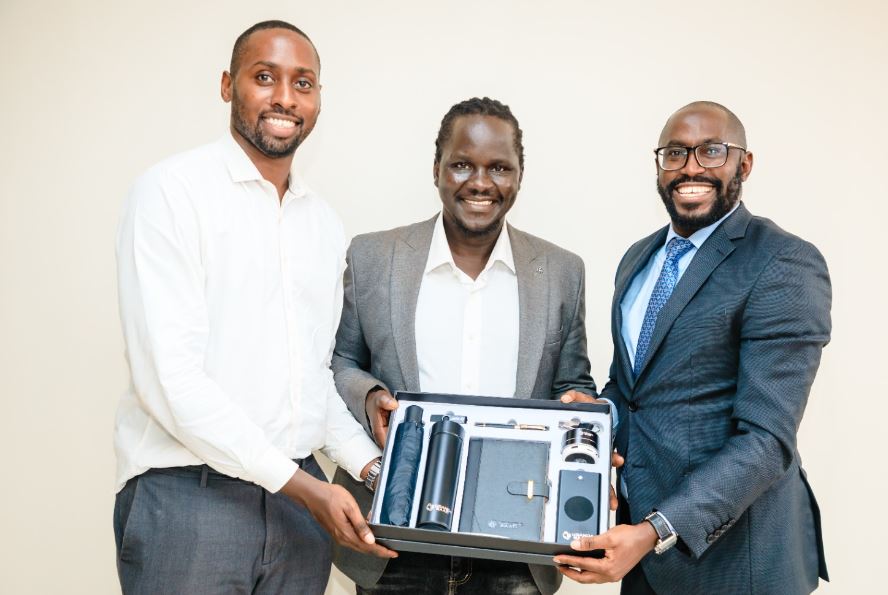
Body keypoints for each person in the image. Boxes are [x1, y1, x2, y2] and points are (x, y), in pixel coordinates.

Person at [113, 20, 395, 594]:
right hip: (189, 496)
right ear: (227, 85)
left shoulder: (322, 222)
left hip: (298, 513)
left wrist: (378, 472)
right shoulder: (170, 193)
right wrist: (303, 486)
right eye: (264, 77)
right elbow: (171, 381)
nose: (285, 98)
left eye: (304, 83)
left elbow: (312, 380)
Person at [554, 101, 831, 594]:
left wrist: (654, 530)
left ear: (743, 164)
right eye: (676, 153)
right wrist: (599, 416)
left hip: (737, 562)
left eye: (712, 151)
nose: (691, 168)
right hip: (642, 561)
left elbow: (767, 441)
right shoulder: (637, 259)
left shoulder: (784, 262)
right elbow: (632, 389)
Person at [330, 97, 597, 595]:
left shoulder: (562, 272)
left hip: (516, 547)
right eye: (462, 164)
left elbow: (572, 382)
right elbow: (341, 361)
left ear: (519, 176)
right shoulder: (373, 256)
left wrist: (578, 406)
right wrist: (368, 397)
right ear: (436, 169)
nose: (480, 182)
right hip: (393, 540)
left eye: (499, 167)